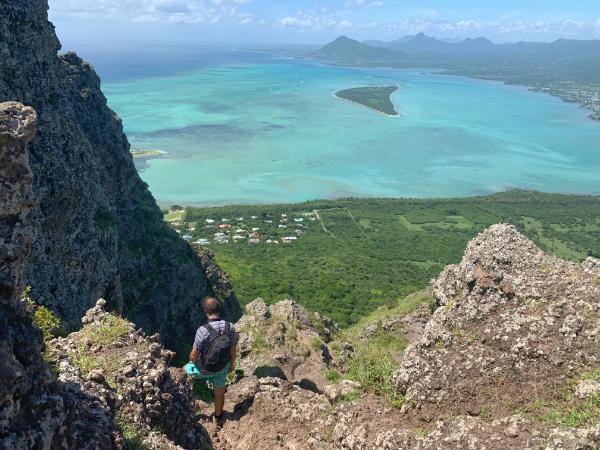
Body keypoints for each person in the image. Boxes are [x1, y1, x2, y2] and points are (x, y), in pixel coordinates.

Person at [185, 296, 238, 427]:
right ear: (219, 309)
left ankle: (185, 408)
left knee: (181, 372)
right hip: (222, 367)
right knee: (219, 394)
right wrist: (231, 365)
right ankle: (218, 417)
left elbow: (193, 355)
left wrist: (190, 365)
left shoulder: (202, 330)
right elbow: (233, 350)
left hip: (203, 369)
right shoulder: (230, 327)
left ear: (205, 311)